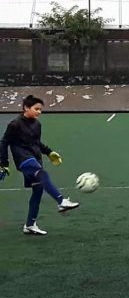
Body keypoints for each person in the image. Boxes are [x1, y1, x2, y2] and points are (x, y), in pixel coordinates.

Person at [0, 95, 80, 235]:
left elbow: (37, 143)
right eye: (36, 109)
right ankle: (61, 201)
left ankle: (30, 225)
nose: (39, 112)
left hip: (35, 159)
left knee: (37, 191)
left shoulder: (37, 125)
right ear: (26, 108)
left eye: (40, 110)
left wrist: (49, 152)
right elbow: (4, 142)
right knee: (42, 174)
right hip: (23, 160)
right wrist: (4, 163)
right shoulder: (15, 124)